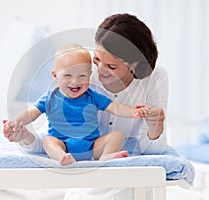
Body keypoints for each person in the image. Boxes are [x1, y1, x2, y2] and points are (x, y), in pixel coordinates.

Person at [63, 13, 169, 199]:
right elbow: (56, 127)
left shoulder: (155, 79)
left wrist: (155, 129)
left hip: (129, 177)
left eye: (111, 66)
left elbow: (151, 153)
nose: (100, 70)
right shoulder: (84, 74)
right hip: (86, 178)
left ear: (134, 64)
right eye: (96, 60)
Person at [3, 43, 149, 166]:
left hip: (92, 147)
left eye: (82, 76)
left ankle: (106, 157)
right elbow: (32, 113)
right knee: (48, 141)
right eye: (67, 75)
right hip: (63, 145)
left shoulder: (93, 96)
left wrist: (134, 111)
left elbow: (115, 108)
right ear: (55, 76)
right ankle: (61, 157)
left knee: (117, 135)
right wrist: (14, 122)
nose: (75, 82)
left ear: (89, 75)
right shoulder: (50, 97)